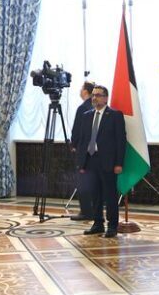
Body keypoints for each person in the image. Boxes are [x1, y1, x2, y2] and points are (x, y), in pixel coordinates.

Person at [76, 85, 126, 238]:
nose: (94, 98)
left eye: (98, 95)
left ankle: (112, 226)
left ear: (105, 98)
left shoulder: (115, 115)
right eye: (93, 95)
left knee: (110, 195)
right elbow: (83, 141)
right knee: (94, 195)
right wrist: (82, 163)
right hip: (91, 160)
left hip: (108, 162)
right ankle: (98, 223)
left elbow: (120, 141)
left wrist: (119, 163)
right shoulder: (86, 115)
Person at [69, 81, 95, 221]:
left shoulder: (82, 108)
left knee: (82, 182)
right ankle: (94, 210)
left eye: (81, 88)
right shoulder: (95, 107)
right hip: (95, 151)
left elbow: (77, 129)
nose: (80, 90)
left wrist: (73, 144)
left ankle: (86, 212)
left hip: (82, 151)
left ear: (85, 91)